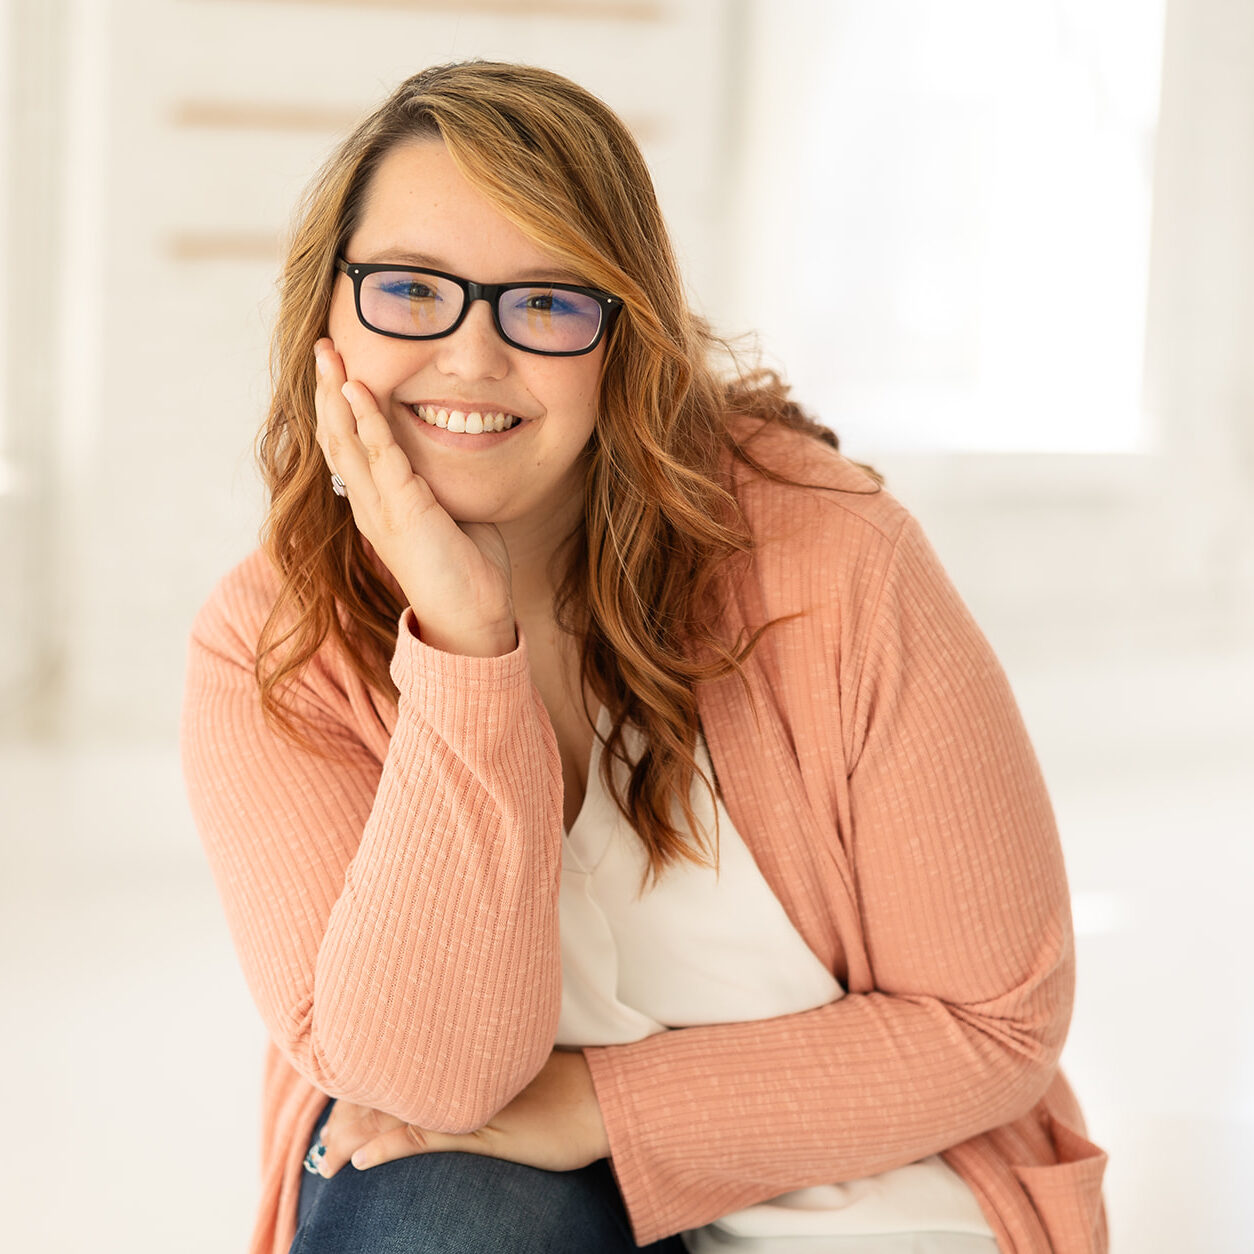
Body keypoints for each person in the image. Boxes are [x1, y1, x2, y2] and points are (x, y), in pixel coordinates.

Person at [180, 60, 1109, 1254]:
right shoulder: (274, 642)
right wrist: (466, 643)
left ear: (625, 339)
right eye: (410, 289)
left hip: (870, 1189)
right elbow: (425, 1083)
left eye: (549, 304)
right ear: (328, 315)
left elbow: (997, 1024)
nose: (469, 359)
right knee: (429, 1211)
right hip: (503, 1190)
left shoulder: (834, 559)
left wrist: (603, 1105)